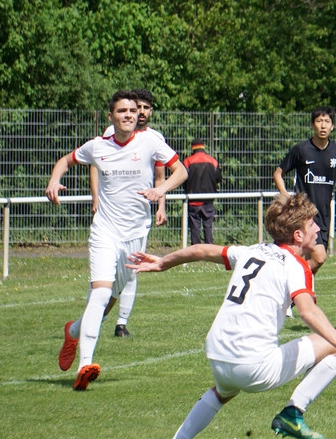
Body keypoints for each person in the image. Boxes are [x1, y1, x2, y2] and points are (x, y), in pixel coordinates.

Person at [125, 193, 336, 439]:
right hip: (252, 364)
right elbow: (307, 311)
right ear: (298, 235)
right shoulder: (296, 265)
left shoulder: (252, 250)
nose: (318, 228)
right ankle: (293, 413)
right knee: (334, 348)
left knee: (223, 392)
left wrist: (162, 262)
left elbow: (201, 250)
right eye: (312, 224)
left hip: (217, 354)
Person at [46, 90, 187, 390]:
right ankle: (85, 366)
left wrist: (161, 191)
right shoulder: (98, 146)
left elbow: (181, 171)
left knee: (109, 300)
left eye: (133, 111)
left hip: (135, 235)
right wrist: (55, 180)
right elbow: (65, 161)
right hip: (105, 231)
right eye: (122, 111)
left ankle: (73, 331)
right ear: (111, 116)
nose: (129, 115)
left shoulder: (151, 141)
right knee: (100, 293)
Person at [94, 88, 166, 338]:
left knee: (131, 270)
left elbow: (160, 176)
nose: (141, 112)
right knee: (107, 272)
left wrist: (161, 205)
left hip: (137, 217)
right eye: (138, 107)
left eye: (146, 108)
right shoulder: (110, 133)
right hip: (111, 215)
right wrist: (96, 197)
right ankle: (95, 317)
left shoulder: (155, 139)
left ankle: (120, 323)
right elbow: (95, 163)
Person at [273, 107, 336, 273]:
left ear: (332, 126)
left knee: (310, 262)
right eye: (319, 121)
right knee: (319, 257)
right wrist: (286, 197)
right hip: (303, 214)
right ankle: (294, 282)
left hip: (323, 215)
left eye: (327, 121)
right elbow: (278, 174)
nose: (323, 125)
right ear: (312, 125)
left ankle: (297, 286)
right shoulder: (301, 150)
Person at [183, 138, 222, 245]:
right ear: (203, 147)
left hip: (193, 199)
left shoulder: (188, 161)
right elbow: (218, 178)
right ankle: (209, 248)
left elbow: (183, 179)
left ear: (193, 148)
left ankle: (196, 248)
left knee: (195, 226)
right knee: (208, 226)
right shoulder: (212, 161)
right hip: (208, 200)